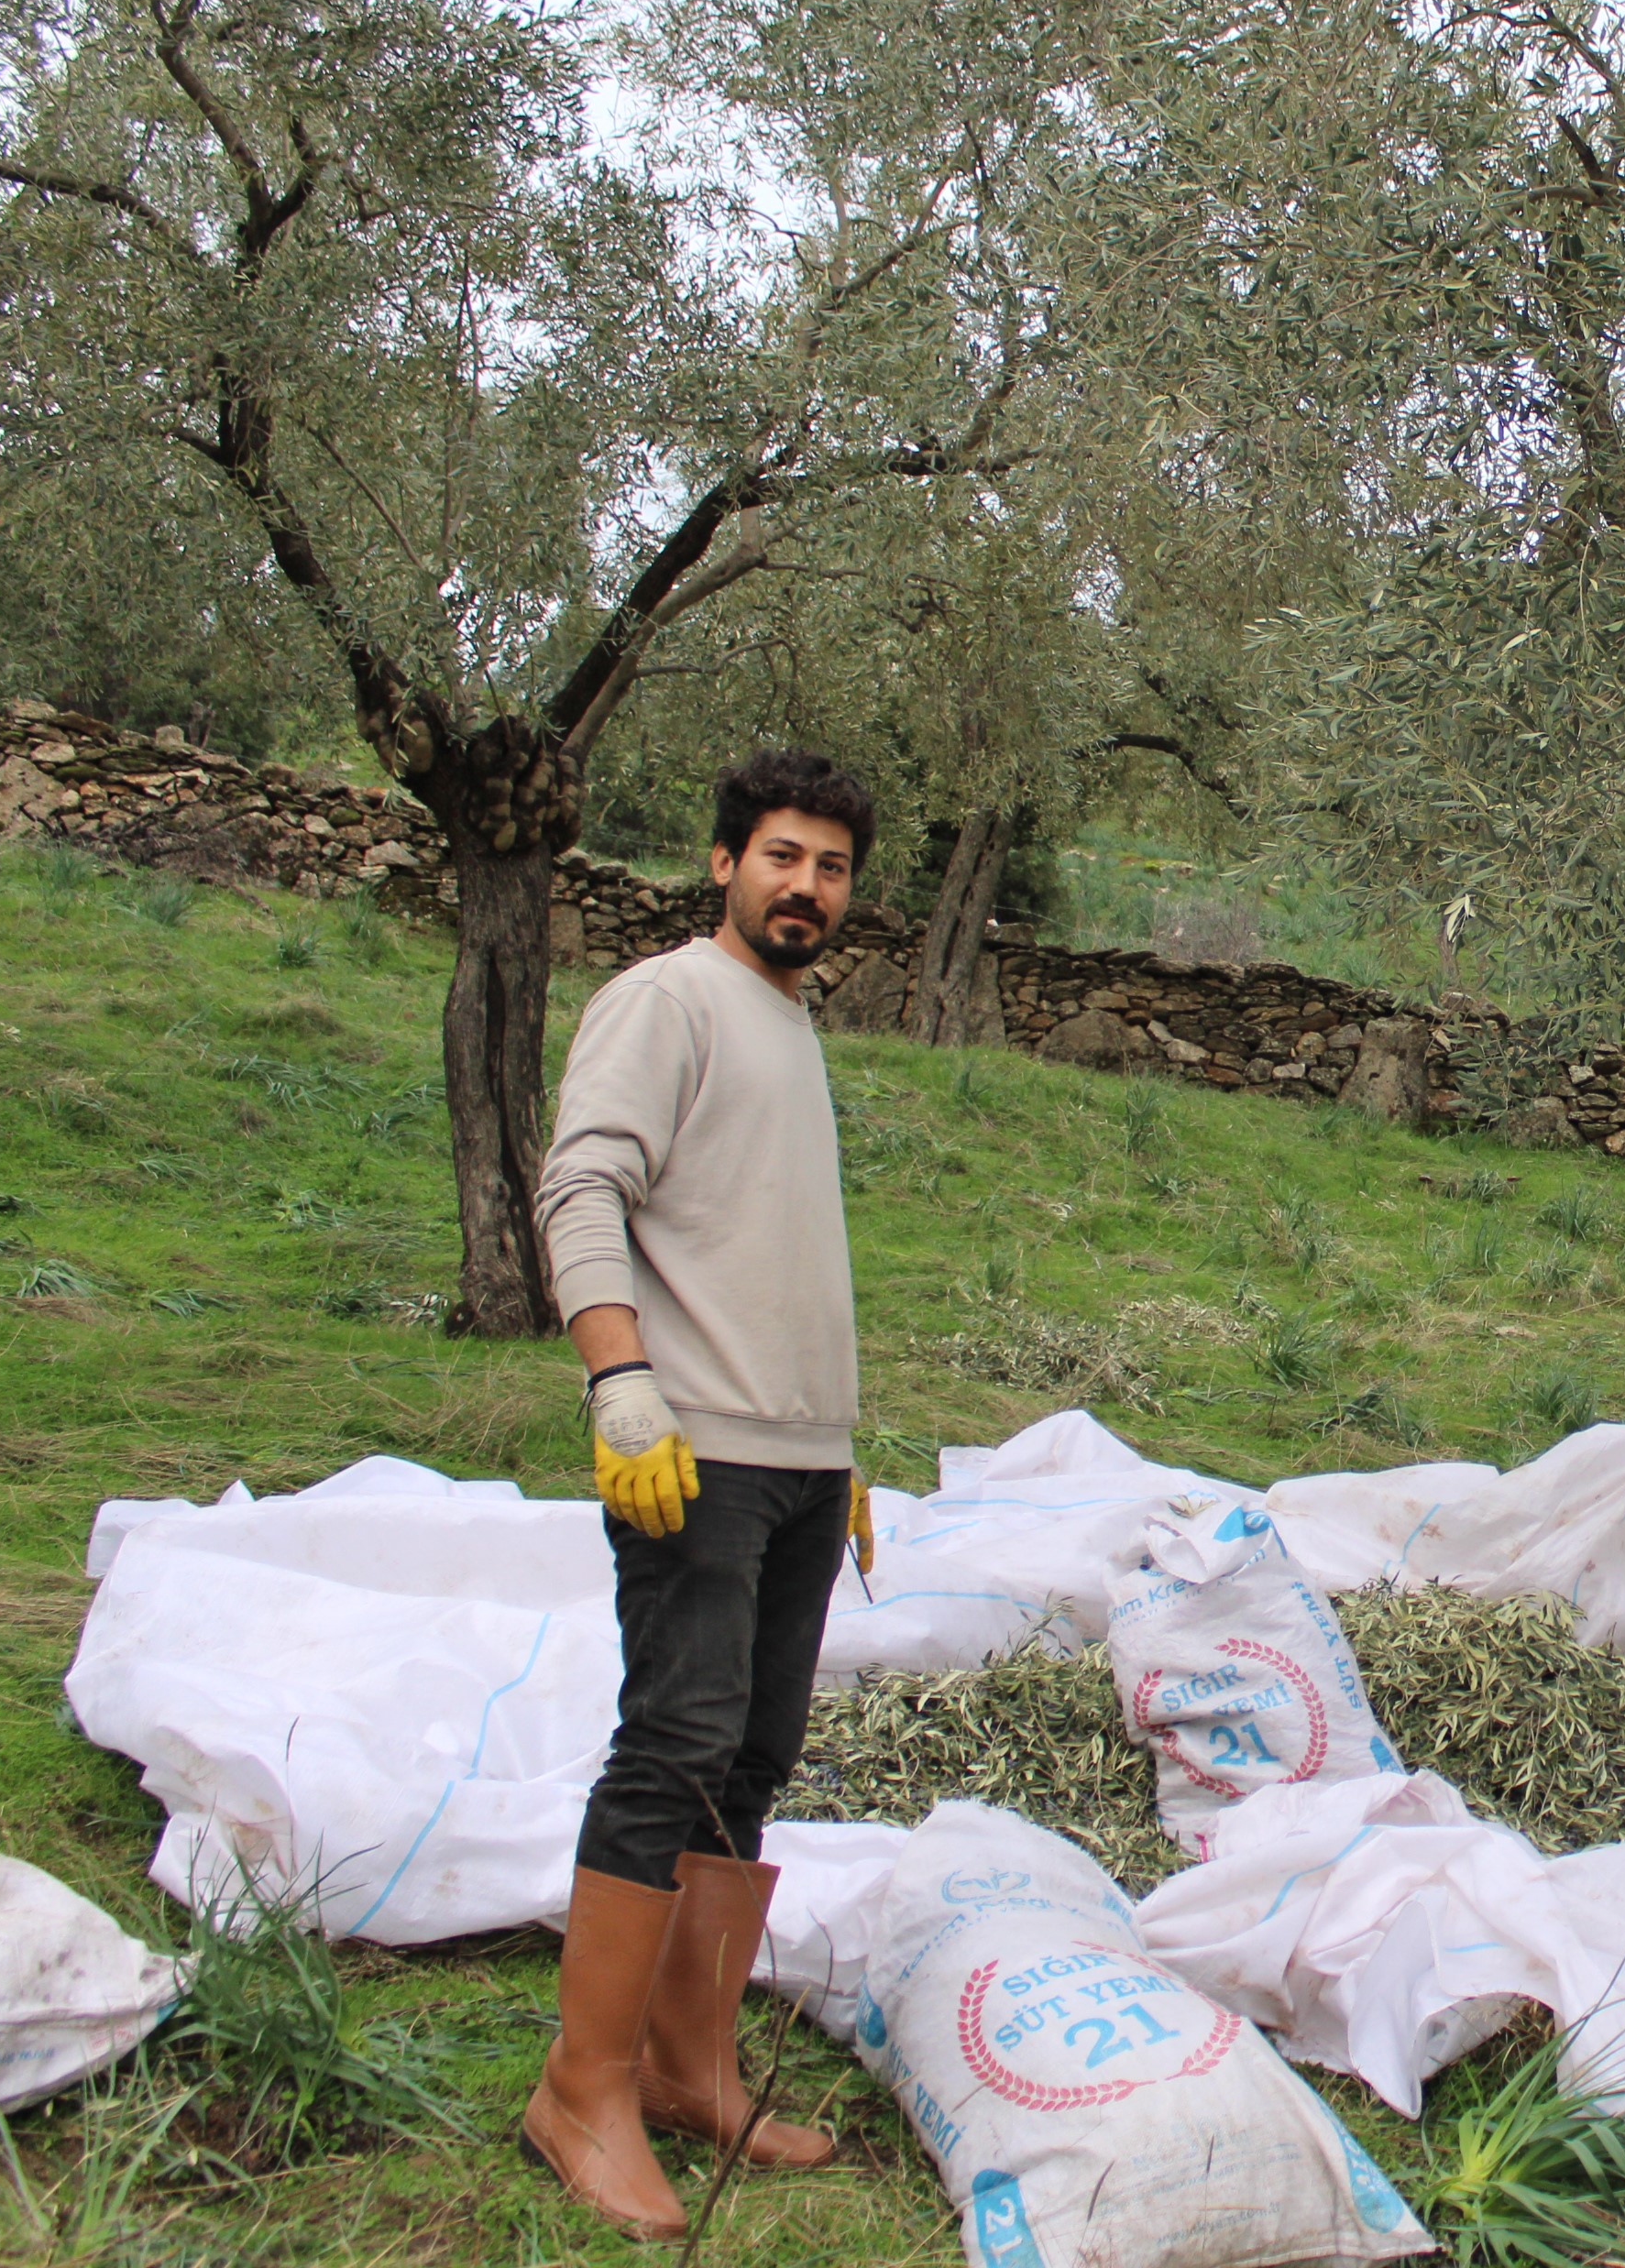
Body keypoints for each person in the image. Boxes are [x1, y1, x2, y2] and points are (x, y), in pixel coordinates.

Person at [520, 748, 879, 2239]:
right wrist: (619, 1380)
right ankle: (580, 2089)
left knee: (752, 1759)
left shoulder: (790, 1028)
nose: (806, 886)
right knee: (672, 1745)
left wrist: (842, 1449)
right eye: (782, 856)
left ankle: (687, 2065)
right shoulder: (666, 999)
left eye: (834, 866)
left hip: (793, 1462)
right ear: (725, 860)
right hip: (691, 1450)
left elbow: (770, 1247)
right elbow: (581, 1183)